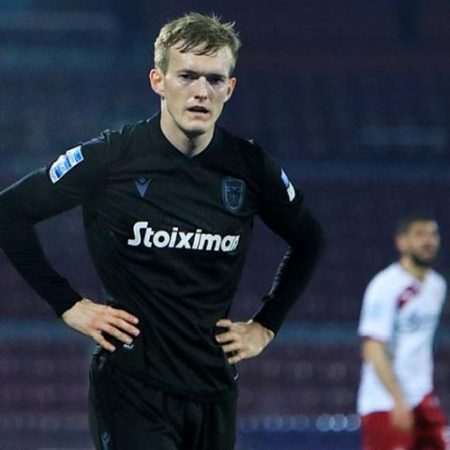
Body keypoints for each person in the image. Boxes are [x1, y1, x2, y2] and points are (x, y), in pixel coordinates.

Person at [0, 12, 323, 450]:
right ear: (158, 80)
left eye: (214, 79)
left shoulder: (250, 168)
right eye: (187, 76)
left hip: (213, 390)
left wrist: (266, 324)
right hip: (131, 390)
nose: (201, 91)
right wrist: (68, 304)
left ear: (230, 89)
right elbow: (9, 212)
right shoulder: (112, 157)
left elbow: (309, 240)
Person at [357, 214, 449, 450]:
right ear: (402, 242)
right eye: (419, 235)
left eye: (433, 234)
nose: (428, 241)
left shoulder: (437, 286)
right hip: (384, 402)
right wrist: (397, 399)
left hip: (422, 399)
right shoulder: (385, 286)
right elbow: (372, 348)